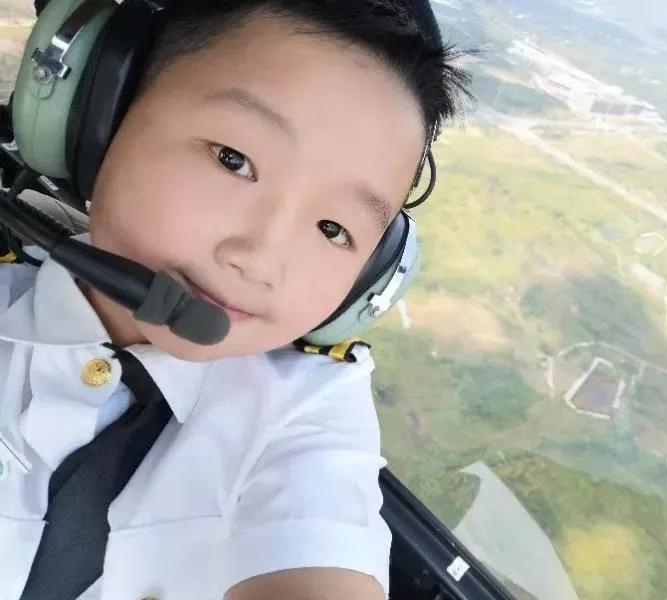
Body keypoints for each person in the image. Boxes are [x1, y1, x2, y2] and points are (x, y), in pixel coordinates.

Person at [0, 0, 471, 598]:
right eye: (234, 160)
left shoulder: (307, 413)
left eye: (333, 229)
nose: (260, 257)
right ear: (100, 112)